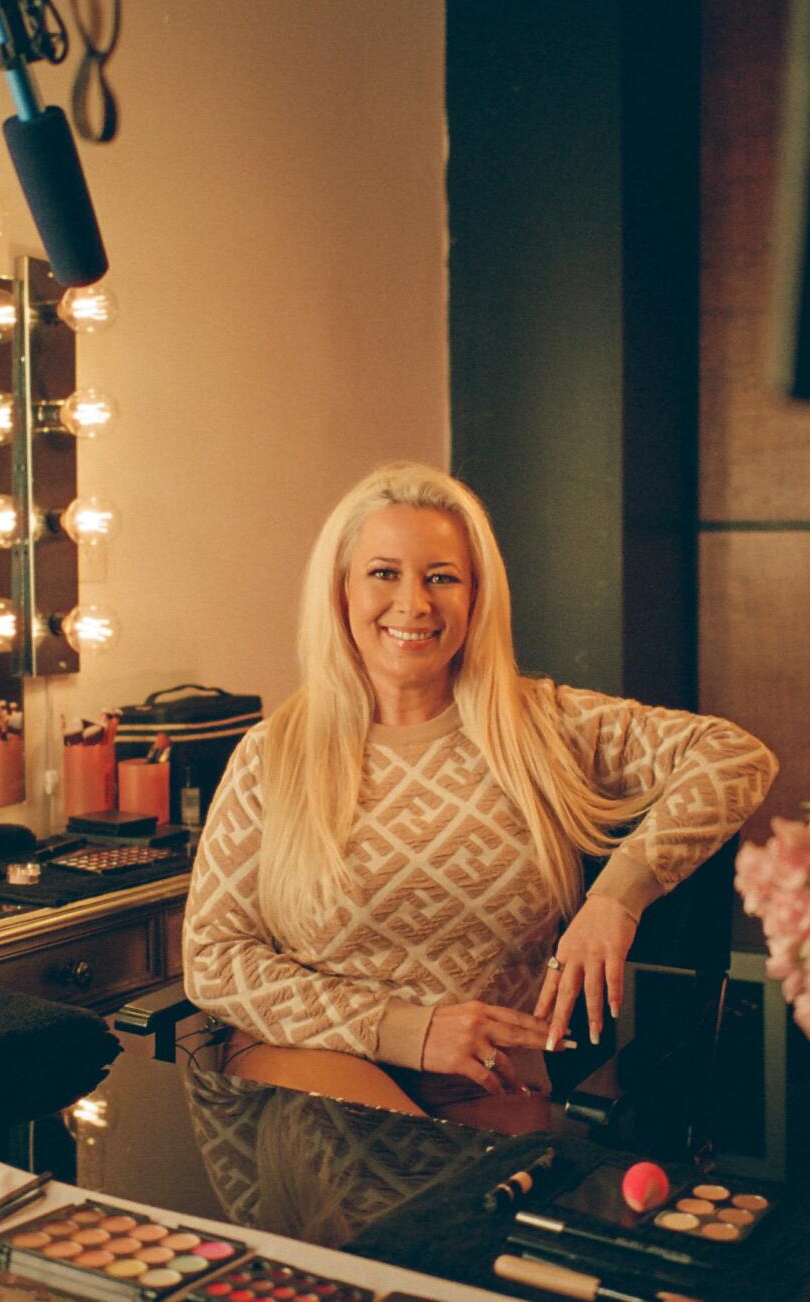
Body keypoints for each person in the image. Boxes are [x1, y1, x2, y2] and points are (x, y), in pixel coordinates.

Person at [182, 461, 775, 1128]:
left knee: (475, 1215)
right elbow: (213, 960)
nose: (414, 604)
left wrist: (618, 896)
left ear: (477, 597)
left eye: (442, 577)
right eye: (384, 574)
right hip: (311, 1056)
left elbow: (736, 756)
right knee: (397, 1177)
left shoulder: (543, 727)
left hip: (486, 1081)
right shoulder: (273, 754)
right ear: (341, 592)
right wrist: (408, 1029)